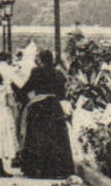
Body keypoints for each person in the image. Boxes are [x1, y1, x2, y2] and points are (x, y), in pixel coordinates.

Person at [15, 49, 74, 178]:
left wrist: (21, 96)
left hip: (39, 107)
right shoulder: (58, 73)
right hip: (54, 107)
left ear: (41, 60)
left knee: (37, 137)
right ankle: (57, 169)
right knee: (56, 137)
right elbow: (62, 93)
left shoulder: (37, 72)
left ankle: (37, 169)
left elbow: (26, 88)